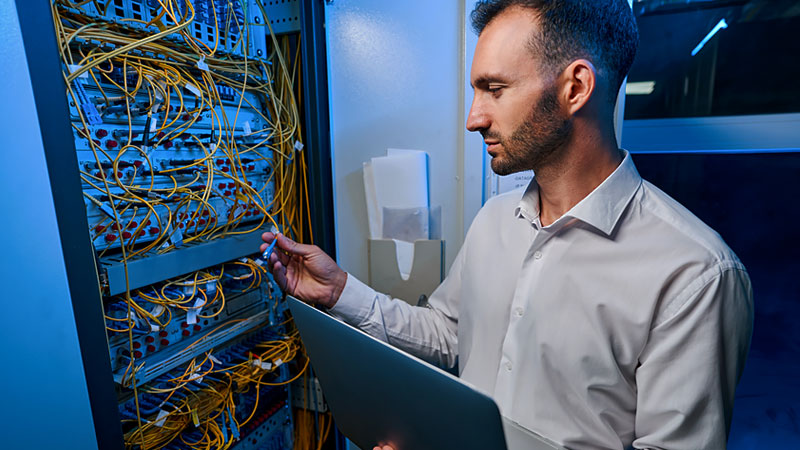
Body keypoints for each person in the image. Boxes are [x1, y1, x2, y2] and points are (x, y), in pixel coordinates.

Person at [261, 1, 754, 448]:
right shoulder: (495, 220)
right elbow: (450, 337)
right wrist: (340, 292)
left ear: (575, 88)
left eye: (494, 89)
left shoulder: (695, 274)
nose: (474, 118)